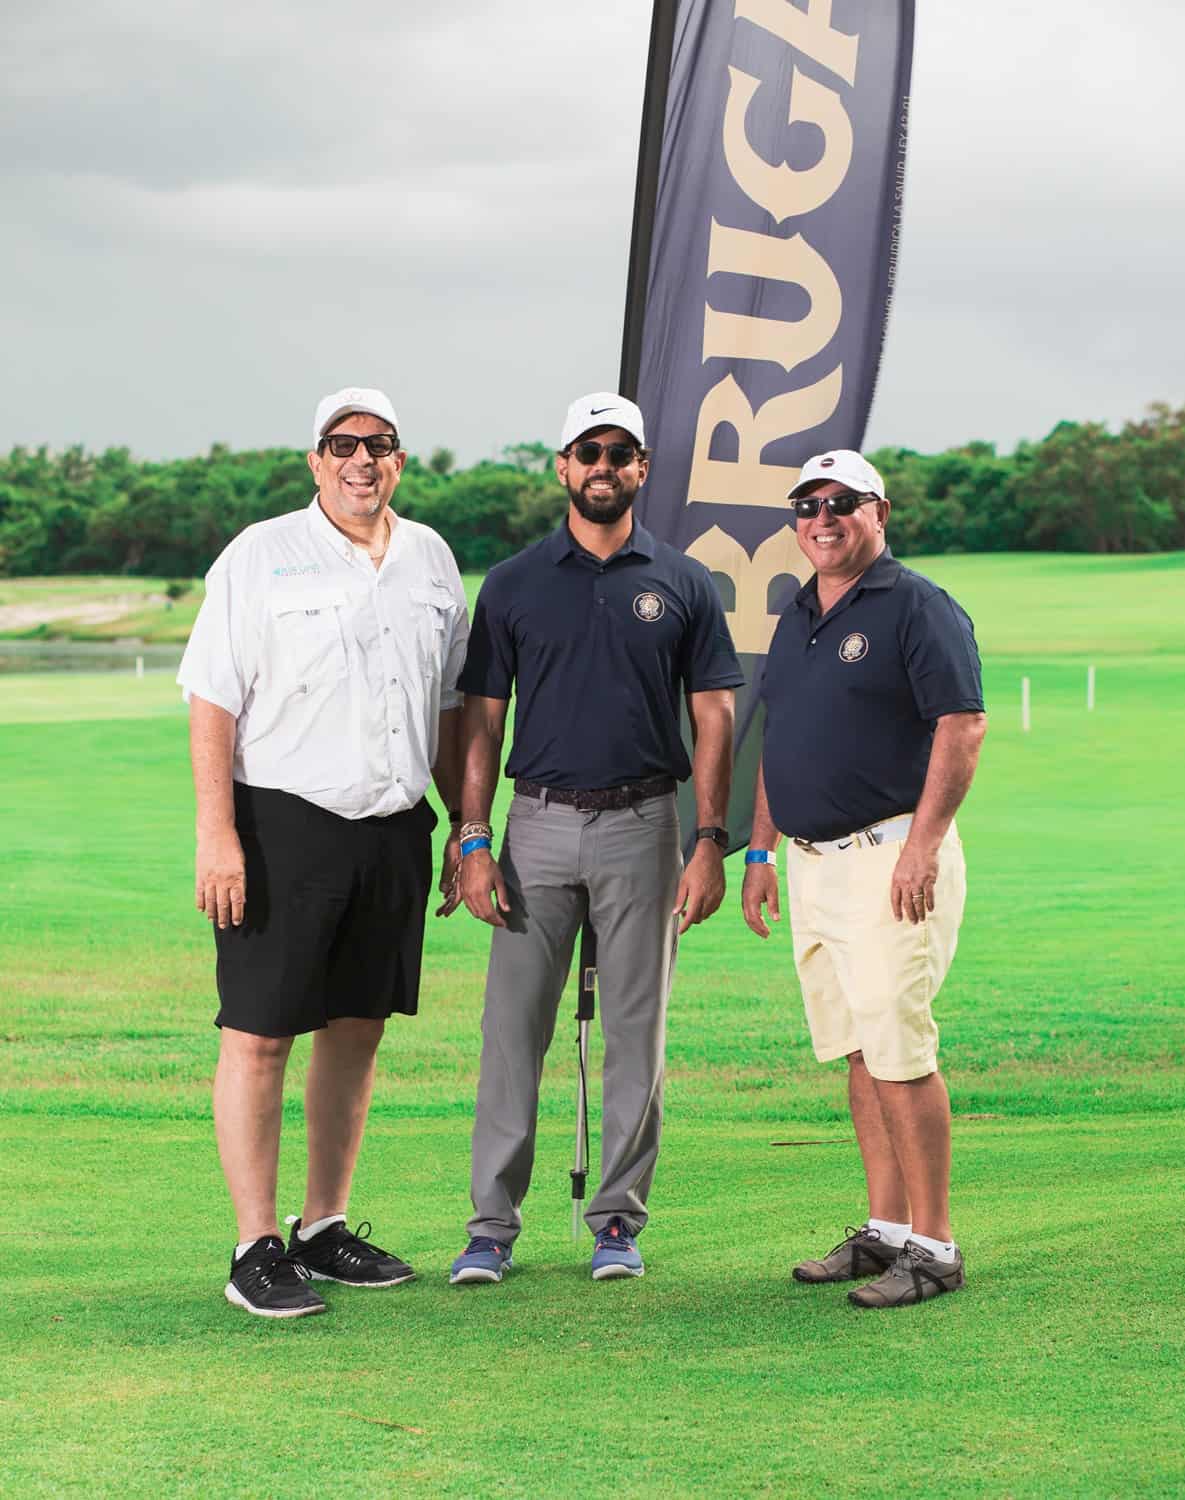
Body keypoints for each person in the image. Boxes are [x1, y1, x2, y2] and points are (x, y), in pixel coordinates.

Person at [178, 386, 468, 1318]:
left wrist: (468, 828)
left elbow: (453, 710)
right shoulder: (260, 554)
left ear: (399, 460)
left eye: (379, 445)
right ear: (315, 460)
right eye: (342, 444)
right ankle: (255, 1246)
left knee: (357, 1028)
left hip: (393, 826)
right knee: (259, 1035)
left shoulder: (429, 558)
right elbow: (212, 700)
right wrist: (217, 834)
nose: (361, 460)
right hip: (282, 823)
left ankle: (323, 1226)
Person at [447, 392, 743, 1285]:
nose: (603, 466)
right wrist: (471, 839)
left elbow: (716, 716)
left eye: (620, 452)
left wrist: (709, 839)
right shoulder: (513, 583)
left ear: (641, 467)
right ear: (563, 467)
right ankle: (491, 1228)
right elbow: (481, 720)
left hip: (646, 826)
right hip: (533, 825)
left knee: (635, 1033)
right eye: (588, 451)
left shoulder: (683, 581)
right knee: (512, 1035)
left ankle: (616, 1221)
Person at [741, 449, 987, 1309]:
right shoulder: (797, 610)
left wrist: (922, 846)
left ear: (879, 512)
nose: (822, 516)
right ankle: (884, 1230)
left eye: (842, 501)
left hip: (888, 857)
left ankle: (934, 1246)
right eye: (806, 504)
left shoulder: (916, 606)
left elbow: (961, 726)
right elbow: (781, 736)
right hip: (810, 864)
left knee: (900, 1051)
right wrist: (762, 851)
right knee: (856, 1049)